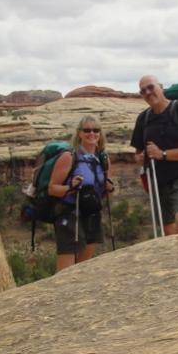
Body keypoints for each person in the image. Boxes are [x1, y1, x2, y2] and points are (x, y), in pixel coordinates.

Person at [130, 75, 178, 235]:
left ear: (161, 87)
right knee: (167, 233)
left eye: (151, 87)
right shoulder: (143, 118)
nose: (148, 92)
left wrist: (162, 154)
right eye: (143, 91)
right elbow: (137, 153)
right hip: (157, 181)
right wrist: (140, 158)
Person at [48, 116, 113, 272]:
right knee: (67, 268)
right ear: (79, 134)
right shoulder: (69, 157)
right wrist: (70, 187)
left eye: (96, 130)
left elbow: (105, 192)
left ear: (100, 133)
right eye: (87, 130)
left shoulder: (103, 159)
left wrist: (109, 188)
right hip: (70, 212)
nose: (92, 133)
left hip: (92, 213)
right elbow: (52, 189)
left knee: (83, 266)